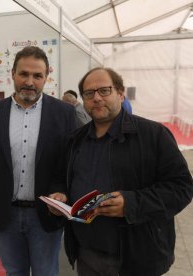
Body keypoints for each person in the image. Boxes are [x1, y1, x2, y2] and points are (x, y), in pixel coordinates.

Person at [47, 67, 193, 275]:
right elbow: (60, 177)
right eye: (89, 93)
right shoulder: (75, 140)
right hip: (87, 255)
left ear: (121, 93)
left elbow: (181, 188)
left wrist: (131, 203)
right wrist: (60, 194)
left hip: (137, 258)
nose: (96, 98)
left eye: (104, 90)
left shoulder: (153, 135)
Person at [0, 46, 76, 275]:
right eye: (24, 74)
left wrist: (62, 194)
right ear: (12, 74)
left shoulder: (64, 114)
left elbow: (69, 164)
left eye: (37, 76)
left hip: (46, 216)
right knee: (14, 272)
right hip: (5, 214)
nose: (30, 82)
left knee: (46, 272)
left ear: (46, 78)